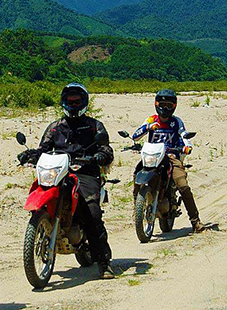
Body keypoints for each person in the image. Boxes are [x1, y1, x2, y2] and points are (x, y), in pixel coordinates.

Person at [25, 82, 117, 277]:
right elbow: (43, 148)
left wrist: (102, 155)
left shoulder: (94, 126)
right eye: (69, 101)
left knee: (92, 212)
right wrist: (30, 154)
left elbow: (106, 148)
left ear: (84, 102)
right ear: (63, 102)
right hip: (58, 171)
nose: (73, 104)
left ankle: (104, 262)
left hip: (85, 172)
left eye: (77, 101)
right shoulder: (56, 127)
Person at [130, 89, 204, 233]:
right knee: (137, 175)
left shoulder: (176, 121)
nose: (165, 108)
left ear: (174, 106)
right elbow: (135, 136)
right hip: (152, 156)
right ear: (156, 104)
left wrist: (187, 146)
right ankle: (137, 209)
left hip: (171, 157)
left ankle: (195, 221)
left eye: (169, 105)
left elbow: (184, 136)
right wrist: (148, 127)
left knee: (182, 185)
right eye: (162, 104)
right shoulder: (151, 119)